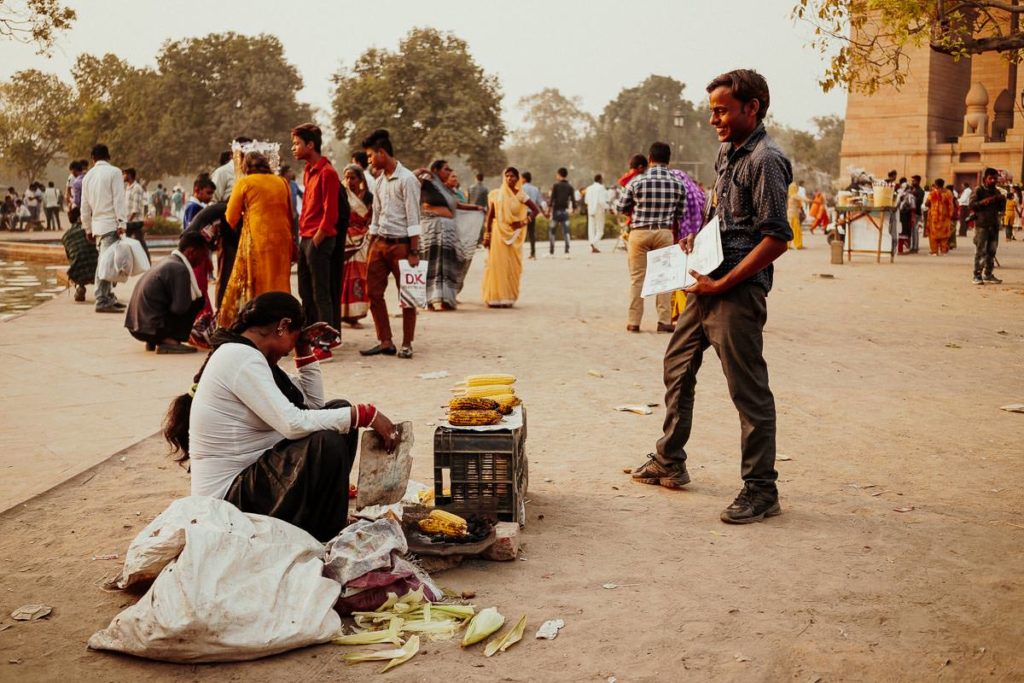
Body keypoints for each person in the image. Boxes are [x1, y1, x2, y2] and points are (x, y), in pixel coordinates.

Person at [630, 68, 793, 525]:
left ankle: (761, 488)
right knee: (676, 366)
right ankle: (669, 459)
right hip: (704, 282)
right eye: (712, 111)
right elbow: (723, 217)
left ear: (751, 108)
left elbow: (776, 237)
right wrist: (696, 240)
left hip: (736, 293)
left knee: (748, 390)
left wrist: (724, 284)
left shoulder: (766, 159)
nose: (713, 120)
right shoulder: (728, 153)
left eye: (721, 111)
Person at [163, 291, 398, 542]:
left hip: (253, 478)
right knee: (328, 439)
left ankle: (324, 522)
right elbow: (292, 424)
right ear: (283, 326)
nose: (286, 353)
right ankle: (325, 532)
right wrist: (365, 414)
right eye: (294, 337)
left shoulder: (253, 357)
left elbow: (315, 407)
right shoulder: (238, 357)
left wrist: (302, 347)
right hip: (229, 498)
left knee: (339, 413)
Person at [359, 129, 421, 360]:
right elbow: (376, 214)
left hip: (402, 246)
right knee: (373, 293)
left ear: (382, 153)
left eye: (370, 156)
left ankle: (407, 343)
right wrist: (371, 243)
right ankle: (385, 341)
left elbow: (413, 217)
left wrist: (414, 251)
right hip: (380, 243)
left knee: (408, 296)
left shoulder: (407, 180)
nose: (369, 161)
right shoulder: (379, 182)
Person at [615, 142, 687, 334]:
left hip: (639, 232)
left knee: (637, 278)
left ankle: (634, 321)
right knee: (664, 278)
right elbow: (680, 214)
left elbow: (620, 207)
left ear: (650, 158)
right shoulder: (678, 184)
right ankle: (664, 321)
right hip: (664, 233)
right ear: (669, 159)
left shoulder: (637, 181)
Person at [218, 151, 295, 328]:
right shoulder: (281, 181)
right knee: (279, 281)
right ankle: (283, 322)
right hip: (282, 241)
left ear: (245, 167)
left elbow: (230, 217)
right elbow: (291, 214)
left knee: (259, 282)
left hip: (258, 239)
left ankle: (261, 324)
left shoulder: (244, 182)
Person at [291, 123, 343, 358]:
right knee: (305, 291)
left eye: (297, 144)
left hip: (319, 239)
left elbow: (330, 214)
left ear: (310, 145)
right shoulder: (309, 171)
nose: (294, 148)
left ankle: (326, 342)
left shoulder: (328, 173)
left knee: (321, 292)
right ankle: (313, 335)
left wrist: (316, 242)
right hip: (307, 237)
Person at [124, 231, 209, 354]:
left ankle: (154, 340)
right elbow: (179, 308)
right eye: (202, 256)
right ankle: (169, 341)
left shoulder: (169, 261)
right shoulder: (180, 269)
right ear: (191, 252)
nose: (203, 261)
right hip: (151, 327)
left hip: (136, 326)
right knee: (199, 301)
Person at [419, 159, 484, 311]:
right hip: (432, 231)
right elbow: (412, 179)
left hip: (447, 233)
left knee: (446, 266)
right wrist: (424, 171)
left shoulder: (446, 189)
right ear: (435, 170)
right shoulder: (427, 183)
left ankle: (446, 300)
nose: (449, 172)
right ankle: (429, 301)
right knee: (431, 263)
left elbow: (457, 205)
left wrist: (477, 207)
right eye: (446, 169)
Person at [481, 166, 543, 307]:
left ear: (517, 178)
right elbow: (490, 217)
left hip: (514, 235)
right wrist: (487, 236)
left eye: (513, 176)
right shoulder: (496, 195)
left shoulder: (521, 195)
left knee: (511, 266)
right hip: (497, 234)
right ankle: (494, 298)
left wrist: (523, 222)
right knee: (496, 265)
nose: (510, 178)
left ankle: (508, 298)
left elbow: (535, 210)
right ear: (504, 177)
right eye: (507, 176)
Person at [81, 144, 127, 313]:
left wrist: (87, 227)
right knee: (105, 263)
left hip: (97, 225)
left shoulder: (88, 177)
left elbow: (84, 206)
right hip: (110, 224)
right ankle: (101, 299)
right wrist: (122, 223)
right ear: (108, 156)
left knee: (105, 262)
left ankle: (107, 296)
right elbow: (119, 200)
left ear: (93, 158)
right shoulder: (114, 172)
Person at [340, 164, 372, 326]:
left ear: (360, 179)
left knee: (359, 277)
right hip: (345, 241)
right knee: (344, 278)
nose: (349, 181)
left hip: (362, 241)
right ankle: (343, 313)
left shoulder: (368, 197)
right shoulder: (342, 195)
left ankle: (355, 314)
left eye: (353, 177)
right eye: (346, 177)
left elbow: (371, 218)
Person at [970, 168, 1005, 285]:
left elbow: (1000, 209)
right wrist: (988, 200)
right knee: (981, 251)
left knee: (992, 251)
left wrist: (1002, 200)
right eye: (991, 178)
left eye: (995, 178)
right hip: (982, 225)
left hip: (994, 225)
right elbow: (972, 205)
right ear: (985, 178)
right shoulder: (978, 190)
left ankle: (988, 274)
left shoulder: (997, 192)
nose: (993, 180)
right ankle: (977, 275)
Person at [547, 168, 575, 257]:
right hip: (565, 212)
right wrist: (573, 209)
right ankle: (567, 252)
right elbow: (573, 200)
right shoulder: (570, 187)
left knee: (552, 231)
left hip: (556, 212)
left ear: (559, 175)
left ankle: (551, 252)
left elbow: (551, 200)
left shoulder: (556, 185)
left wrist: (548, 211)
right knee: (566, 232)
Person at [123, 168, 150, 260]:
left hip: (135, 221)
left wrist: (127, 221)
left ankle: (147, 261)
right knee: (132, 241)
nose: (123, 176)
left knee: (139, 242)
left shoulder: (137, 188)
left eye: (124, 174)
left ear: (129, 175)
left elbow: (136, 208)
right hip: (129, 221)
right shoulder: (127, 188)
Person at [925, 178, 953, 255]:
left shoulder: (933, 193)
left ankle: (934, 251)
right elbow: (951, 205)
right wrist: (950, 214)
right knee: (944, 235)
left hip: (935, 217)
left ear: (936, 185)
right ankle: (943, 250)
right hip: (945, 217)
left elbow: (927, 203)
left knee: (933, 235)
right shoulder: (948, 193)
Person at [521, 171, 545, 259]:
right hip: (532, 213)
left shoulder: (521, 188)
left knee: (521, 233)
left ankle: (518, 253)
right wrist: (544, 212)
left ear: (524, 179)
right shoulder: (535, 189)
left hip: (522, 213)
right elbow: (540, 201)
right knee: (531, 233)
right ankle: (533, 253)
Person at [584, 174, 609, 253]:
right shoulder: (601, 188)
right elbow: (602, 201)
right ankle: (593, 243)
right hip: (599, 210)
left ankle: (594, 246)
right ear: (600, 179)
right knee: (600, 230)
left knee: (591, 229)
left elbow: (586, 201)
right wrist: (608, 207)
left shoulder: (589, 188)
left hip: (590, 210)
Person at [787, 182, 804, 249]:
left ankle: (788, 245)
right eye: (795, 187)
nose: (797, 188)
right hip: (794, 215)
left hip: (790, 214)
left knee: (790, 230)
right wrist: (815, 201)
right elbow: (804, 199)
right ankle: (798, 244)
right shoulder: (794, 195)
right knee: (796, 230)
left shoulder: (790, 196)